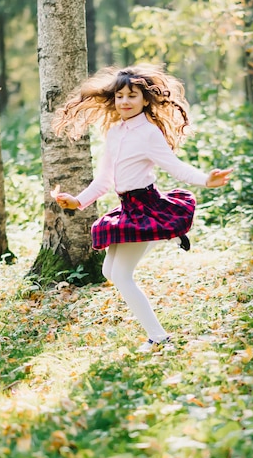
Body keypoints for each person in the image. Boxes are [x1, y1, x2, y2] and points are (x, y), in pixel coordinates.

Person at [50, 64, 232, 352]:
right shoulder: (114, 132)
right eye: (120, 96)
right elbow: (105, 179)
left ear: (145, 100)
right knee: (110, 271)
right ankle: (170, 236)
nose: (125, 101)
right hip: (127, 208)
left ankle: (159, 339)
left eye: (132, 96)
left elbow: (176, 167)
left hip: (147, 207)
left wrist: (206, 180)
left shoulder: (149, 132)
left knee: (121, 275)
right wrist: (78, 201)